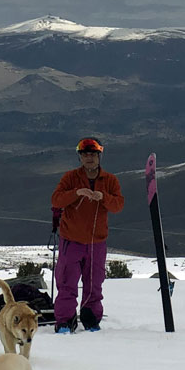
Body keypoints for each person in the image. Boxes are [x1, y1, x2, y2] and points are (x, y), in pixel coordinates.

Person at [50, 137, 124, 333]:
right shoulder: (70, 178)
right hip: (71, 240)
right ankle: (65, 321)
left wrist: (103, 197)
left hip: (96, 242)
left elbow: (118, 205)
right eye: (85, 155)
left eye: (92, 154)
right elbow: (56, 200)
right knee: (67, 283)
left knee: (94, 284)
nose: (89, 158)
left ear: (99, 156)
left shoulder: (109, 180)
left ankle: (91, 319)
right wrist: (77, 193)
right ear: (80, 157)